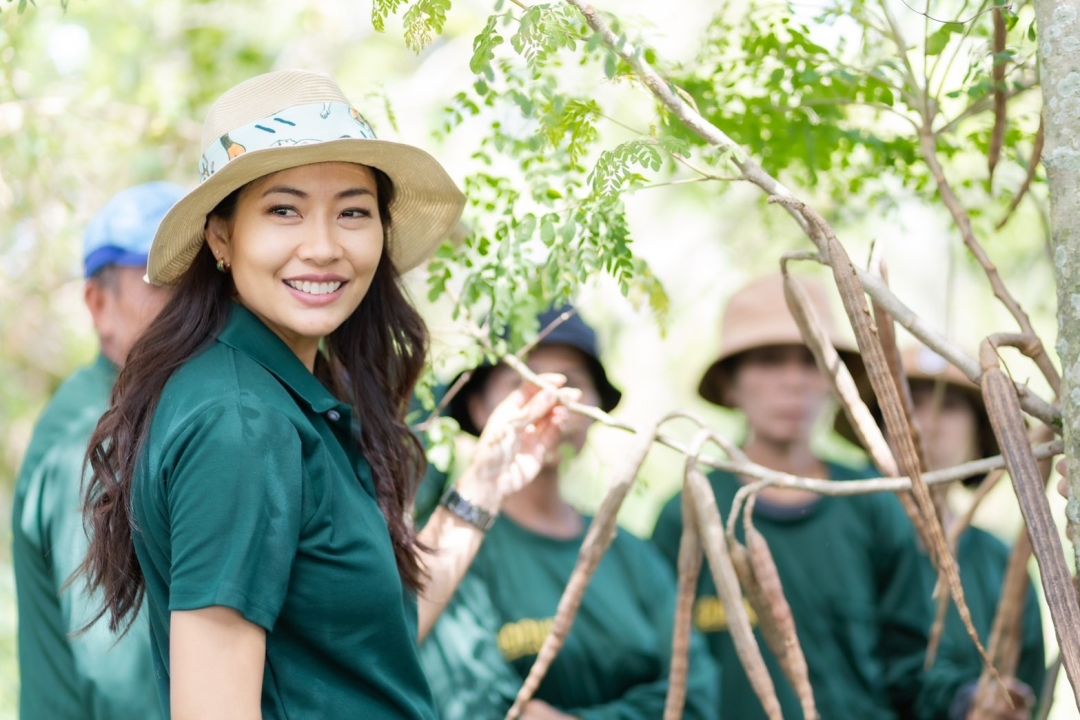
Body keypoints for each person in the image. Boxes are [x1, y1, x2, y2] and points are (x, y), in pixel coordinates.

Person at [78, 70, 570, 720]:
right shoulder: (240, 421)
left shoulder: (285, 398)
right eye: (284, 210)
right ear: (221, 236)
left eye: (353, 212)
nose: (324, 247)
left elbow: (363, 652)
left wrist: (483, 484)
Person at [652, 274, 934, 719]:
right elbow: (667, 669)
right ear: (730, 384)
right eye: (768, 361)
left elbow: (913, 663)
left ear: (832, 380)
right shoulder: (688, 513)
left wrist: (968, 700)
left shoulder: (872, 501)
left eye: (810, 361)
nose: (793, 381)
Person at [420, 307, 719, 719]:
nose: (550, 400)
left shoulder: (631, 555)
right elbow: (467, 703)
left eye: (571, 384)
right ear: (477, 407)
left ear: (596, 408)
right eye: (523, 383)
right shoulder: (451, 549)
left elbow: (695, 694)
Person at [12, 182, 184, 720]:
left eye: (202, 280)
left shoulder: (149, 408)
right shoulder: (94, 438)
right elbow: (122, 675)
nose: (194, 305)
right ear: (98, 304)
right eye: (164, 283)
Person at [842, 346, 1045, 719]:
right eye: (910, 402)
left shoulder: (1000, 561)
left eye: (950, 406)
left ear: (980, 433)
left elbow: (1029, 682)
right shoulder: (844, 529)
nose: (928, 422)